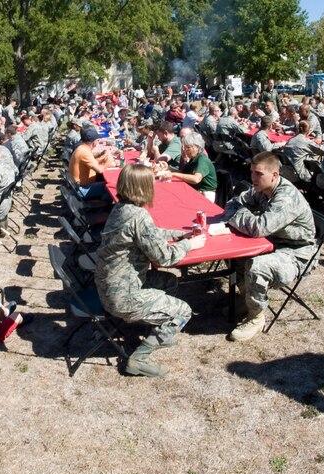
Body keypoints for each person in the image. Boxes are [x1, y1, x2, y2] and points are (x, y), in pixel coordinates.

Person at [94, 164, 206, 377]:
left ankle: (155, 326)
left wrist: (180, 235)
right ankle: (139, 359)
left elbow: (150, 234)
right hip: (123, 296)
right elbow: (165, 257)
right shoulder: (138, 216)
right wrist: (189, 245)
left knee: (168, 282)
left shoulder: (121, 208)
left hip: (109, 285)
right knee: (183, 311)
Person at [222, 152, 316, 341]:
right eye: (252, 173)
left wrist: (236, 215)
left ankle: (256, 317)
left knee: (258, 265)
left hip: (296, 252)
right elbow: (233, 202)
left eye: (258, 173)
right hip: (273, 241)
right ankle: (247, 298)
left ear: (274, 175)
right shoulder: (261, 188)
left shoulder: (286, 197)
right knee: (231, 251)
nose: (253, 178)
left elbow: (259, 227)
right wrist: (239, 213)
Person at [68, 128, 114, 201]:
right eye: (97, 141)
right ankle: (104, 208)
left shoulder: (82, 147)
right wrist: (109, 162)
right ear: (94, 143)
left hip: (78, 185)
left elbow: (91, 159)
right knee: (110, 187)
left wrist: (100, 154)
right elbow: (100, 170)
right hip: (81, 189)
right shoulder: (84, 152)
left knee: (103, 179)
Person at [171, 133, 218, 202]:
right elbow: (183, 173)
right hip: (196, 191)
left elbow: (196, 179)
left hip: (205, 195)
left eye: (188, 147)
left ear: (197, 147)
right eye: (185, 147)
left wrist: (173, 174)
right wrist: (169, 169)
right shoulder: (193, 159)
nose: (185, 150)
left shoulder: (202, 160)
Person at [282, 121, 324, 186]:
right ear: (309, 130)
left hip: (286, 172)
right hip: (298, 174)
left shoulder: (290, 140)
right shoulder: (306, 142)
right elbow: (322, 151)